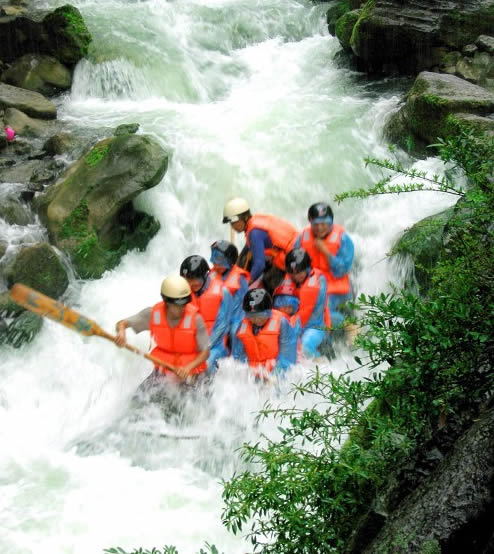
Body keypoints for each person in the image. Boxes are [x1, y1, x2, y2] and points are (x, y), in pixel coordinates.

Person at [115, 275, 209, 383]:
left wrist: (188, 368)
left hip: (192, 374)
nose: (183, 307)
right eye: (178, 304)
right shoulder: (152, 314)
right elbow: (121, 323)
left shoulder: (196, 319)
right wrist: (121, 332)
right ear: (167, 302)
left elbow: (205, 352)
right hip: (164, 372)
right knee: (138, 394)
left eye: (185, 303)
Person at [295, 202, 354, 330]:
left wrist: (325, 251)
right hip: (312, 285)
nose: (320, 228)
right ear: (310, 222)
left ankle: (348, 325)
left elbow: (341, 270)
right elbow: (294, 262)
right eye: (316, 224)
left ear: (331, 222)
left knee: (319, 314)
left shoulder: (343, 239)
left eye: (324, 223)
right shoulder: (302, 237)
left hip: (335, 288)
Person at [222, 197, 298, 294]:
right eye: (231, 223)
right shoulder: (254, 221)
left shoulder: (254, 233)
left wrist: (245, 284)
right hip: (291, 249)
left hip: (291, 259)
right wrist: (236, 267)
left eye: (234, 223)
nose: (232, 226)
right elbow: (248, 247)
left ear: (244, 218)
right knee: (247, 255)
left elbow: (260, 265)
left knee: (268, 281)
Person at [180, 255, 232, 373]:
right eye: (187, 280)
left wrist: (205, 347)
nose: (191, 283)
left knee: (205, 364)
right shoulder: (181, 293)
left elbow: (222, 325)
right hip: (191, 345)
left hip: (216, 345)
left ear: (205, 276)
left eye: (194, 279)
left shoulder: (223, 292)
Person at [231, 288, 297, 378]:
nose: (256, 320)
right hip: (253, 372)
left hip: (276, 369)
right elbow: (238, 358)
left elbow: (288, 355)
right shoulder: (242, 326)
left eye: (260, 316)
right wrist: (246, 374)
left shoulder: (282, 323)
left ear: (269, 312)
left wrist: (273, 375)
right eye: (252, 316)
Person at [284, 247, 331, 358]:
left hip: (316, 326)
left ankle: (322, 364)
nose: (296, 276)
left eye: (299, 272)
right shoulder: (291, 280)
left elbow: (304, 317)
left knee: (305, 347)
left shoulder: (315, 284)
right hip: (302, 323)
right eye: (293, 273)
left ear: (307, 267)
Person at [210, 240, 249, 330]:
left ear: (230, 262)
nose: (217, 266)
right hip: (215, 317)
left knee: (234, 330)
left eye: (221, 263)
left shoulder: (240, 278)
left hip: (233, 318)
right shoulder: (210, 275)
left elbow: (242, 305)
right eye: (215, 263)